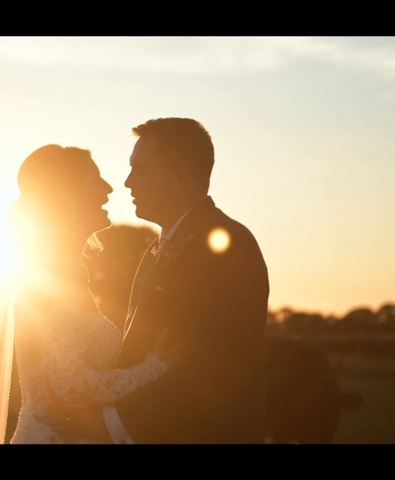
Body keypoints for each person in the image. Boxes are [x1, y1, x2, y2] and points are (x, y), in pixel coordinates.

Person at [0, 144, 178, 444]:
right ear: (66, 195)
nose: (109, 188)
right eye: (95, 179)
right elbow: (71, 386)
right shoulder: (45, 278)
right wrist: (155, 366)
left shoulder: (68, 272)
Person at [100, 117, 270, 443]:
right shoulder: (155, 249)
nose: (127, 183)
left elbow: (213, 366)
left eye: (140, 170)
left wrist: (108, 423)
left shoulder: (229, 245)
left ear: (179, 178)